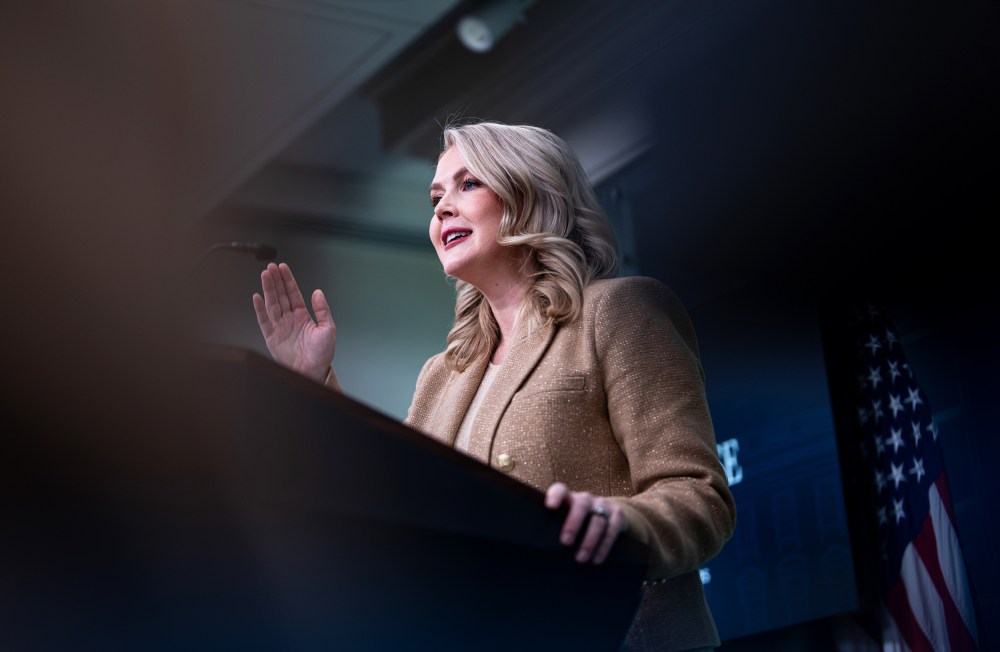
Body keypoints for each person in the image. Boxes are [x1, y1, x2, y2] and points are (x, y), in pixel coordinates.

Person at [252, 121, 736, 652]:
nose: (440, 209)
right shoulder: (442, 375)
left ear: (530, 194)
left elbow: (701, 498)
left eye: (468, 184)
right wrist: (315, 383)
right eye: (435, 196)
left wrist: (619, 525)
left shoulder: (619, 312)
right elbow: (394, 512)